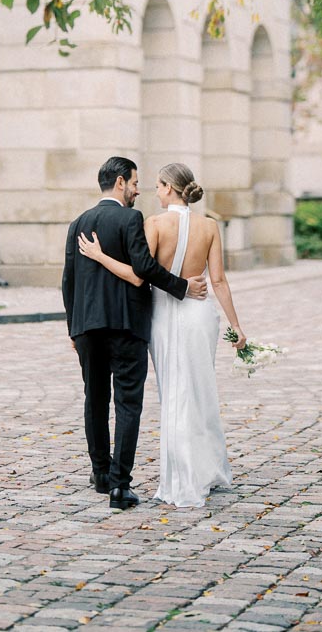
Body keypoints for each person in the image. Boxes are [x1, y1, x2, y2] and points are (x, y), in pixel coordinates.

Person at [78, 161, 246, 509]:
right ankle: (207, 468)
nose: (152, 190)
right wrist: (236, 326)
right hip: (201, 315)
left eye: (157, 185)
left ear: (170, 188)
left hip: (165, 314)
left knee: (174, 392)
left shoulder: (154, 223)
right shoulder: (211, 226)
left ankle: (179, 477)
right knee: (200, 391)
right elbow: (218, 282)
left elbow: (141, 274)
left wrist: (99, 255)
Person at [62, 155, 208, 511]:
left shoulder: (77, 222)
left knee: (94, 399)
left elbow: (68, 282)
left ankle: (100, 474)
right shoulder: (130, 218)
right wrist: (182, 287)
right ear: (119, 183)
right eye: (134, 183)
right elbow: (143, 268)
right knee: (128, 404)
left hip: (86, 328)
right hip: (127, 325)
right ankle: (120, 486)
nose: (137, 190)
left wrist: (73, 328)